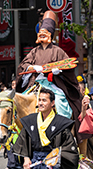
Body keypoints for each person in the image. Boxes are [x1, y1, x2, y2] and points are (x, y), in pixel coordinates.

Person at [15, 10, 83, 144]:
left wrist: (59, 71)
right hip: (35, 83)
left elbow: (68, 66)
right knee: (19, 101)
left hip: (53, 84)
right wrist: (33, 68)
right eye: (41, 33)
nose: (42, 35)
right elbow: (23, 65)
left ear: (50, 35)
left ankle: (64, 129)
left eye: (45, 33)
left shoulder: (58, 51)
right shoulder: (34, 51)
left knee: (60, 101)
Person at [13, 87, 79, 169]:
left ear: (52, 103)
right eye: (39, 100)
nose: (40, 103)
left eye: (44, 100)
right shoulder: (30, 121)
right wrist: (26, 158)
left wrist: (57, 157)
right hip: (34, 162)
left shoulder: (60, 123)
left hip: (53, 163)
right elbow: (22, 142)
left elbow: (69, 148)